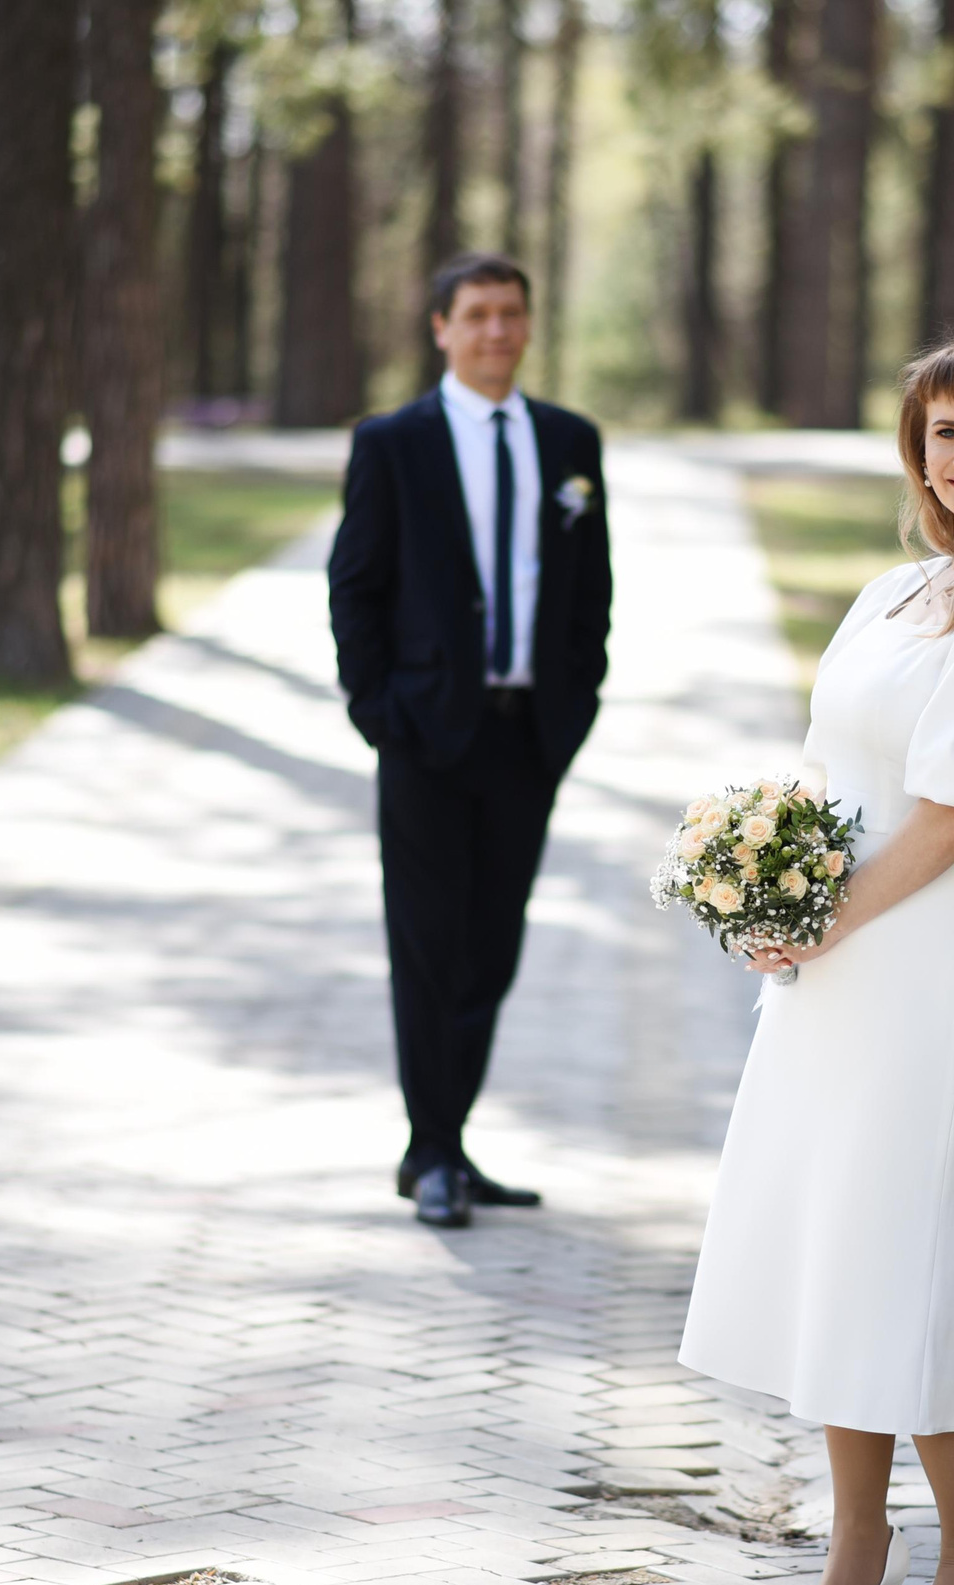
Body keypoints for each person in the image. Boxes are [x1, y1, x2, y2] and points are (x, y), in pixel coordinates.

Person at [676, 331, 954, 1585]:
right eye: (943, 434)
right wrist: (764, 899)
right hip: (829, 961)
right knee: (827, 1238)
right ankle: (852, 1550)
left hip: (932, 966)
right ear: (916, 453)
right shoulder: (891, 594)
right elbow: (828, 775)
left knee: (913, 1251)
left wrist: (824, 919)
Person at [326, 253, 614, 1230]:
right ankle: (433, 1147)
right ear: (441, 328)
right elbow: (354, 586)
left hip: (526, 736)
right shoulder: (392, 442)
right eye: (476, 314)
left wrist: (573, 707)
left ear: (529, 326)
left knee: (493, 944)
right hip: (424, 737)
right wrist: (378, 713)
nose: (496, 330)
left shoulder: (571, 442)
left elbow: (590, 596)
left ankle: (448, 1141)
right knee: (426, 944)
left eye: (511, 313)